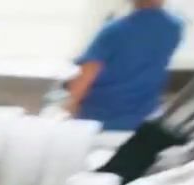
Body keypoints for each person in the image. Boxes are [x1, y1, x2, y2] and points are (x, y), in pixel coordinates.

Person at [67, 0, 184, 132]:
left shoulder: (114, 30)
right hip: (143, 117)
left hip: (101, 116)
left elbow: (87, 75)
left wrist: (70, 107)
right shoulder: (175, 26)